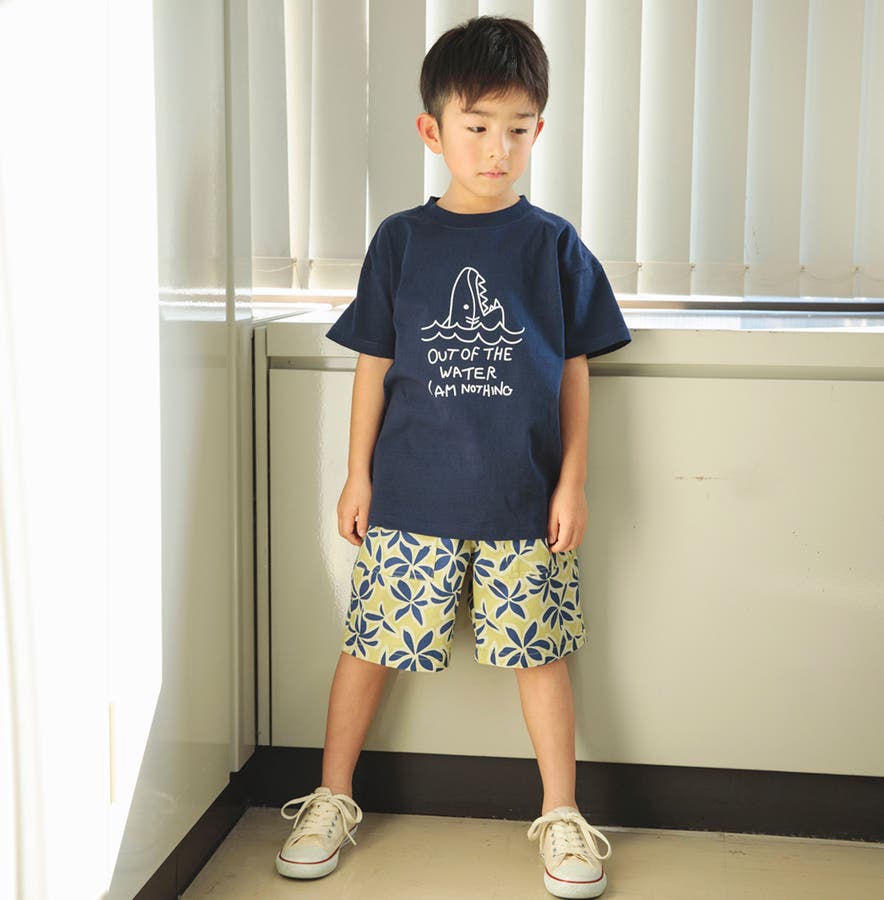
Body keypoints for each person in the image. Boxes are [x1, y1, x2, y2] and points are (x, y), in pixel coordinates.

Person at [275, 15, 630, 900]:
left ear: (539, 130)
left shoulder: (553, 245)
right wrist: (356, 474)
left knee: (541, 654)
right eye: (477, 127)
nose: (497, 148)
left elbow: (574, 373)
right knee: (369, 646)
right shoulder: (401, 240)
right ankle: (330, 797)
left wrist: (573, 481)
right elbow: (373, 365)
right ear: (432, 131)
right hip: (410, 497)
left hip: (523, 503)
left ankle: (561, 813)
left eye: (517, 128)